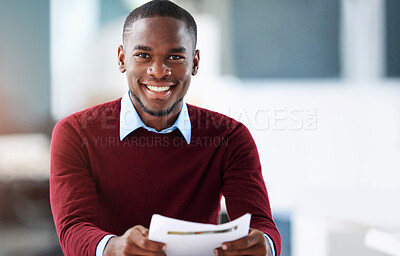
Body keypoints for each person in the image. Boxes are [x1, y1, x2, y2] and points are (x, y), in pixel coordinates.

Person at [50, 0, 281, 255]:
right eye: (143, 55)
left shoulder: (229, 137)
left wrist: (265, 246)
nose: (159, 71)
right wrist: (112, 247)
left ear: (194, 62)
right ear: (122, 59)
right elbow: (74, 227)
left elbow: (260, 225)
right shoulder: (75, 133)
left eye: (175, 56)